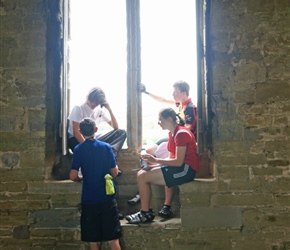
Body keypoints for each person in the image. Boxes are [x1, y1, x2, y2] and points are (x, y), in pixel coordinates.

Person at [128, 80, 197, 218]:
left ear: (170, 120)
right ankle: (146, 211)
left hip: (185, 170)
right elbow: (171, 158)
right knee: (142, 173)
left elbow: (178, 162)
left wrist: (156, 160)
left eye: (161, 120)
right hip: (179, 166)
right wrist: (154, 164)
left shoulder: (182, 131)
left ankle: (146, 213)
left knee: (144, 177)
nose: (159, 123)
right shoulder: (172, 133)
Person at [70, 118, 122, 250]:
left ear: (80, 132)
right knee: (113, 239)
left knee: (93, 241)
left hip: (89, 199)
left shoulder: (78, 149)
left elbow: (73, 176)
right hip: (107, 197)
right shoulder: (106, 147)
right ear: (96, 130)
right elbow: (115, 172)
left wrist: (80, 178)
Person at [68, 86, 126, 158]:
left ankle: (110, 158)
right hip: (77, 140)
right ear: (89, 97)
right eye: (93, 100)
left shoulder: (99, 111)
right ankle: (102, 157)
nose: (94, 104)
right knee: (94, 152)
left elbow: (116, 127)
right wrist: (89, 147)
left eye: (97, 102)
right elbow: (76, 132)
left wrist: (109, 109)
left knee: (121, 132)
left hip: (92, 139)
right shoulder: (78, 108)